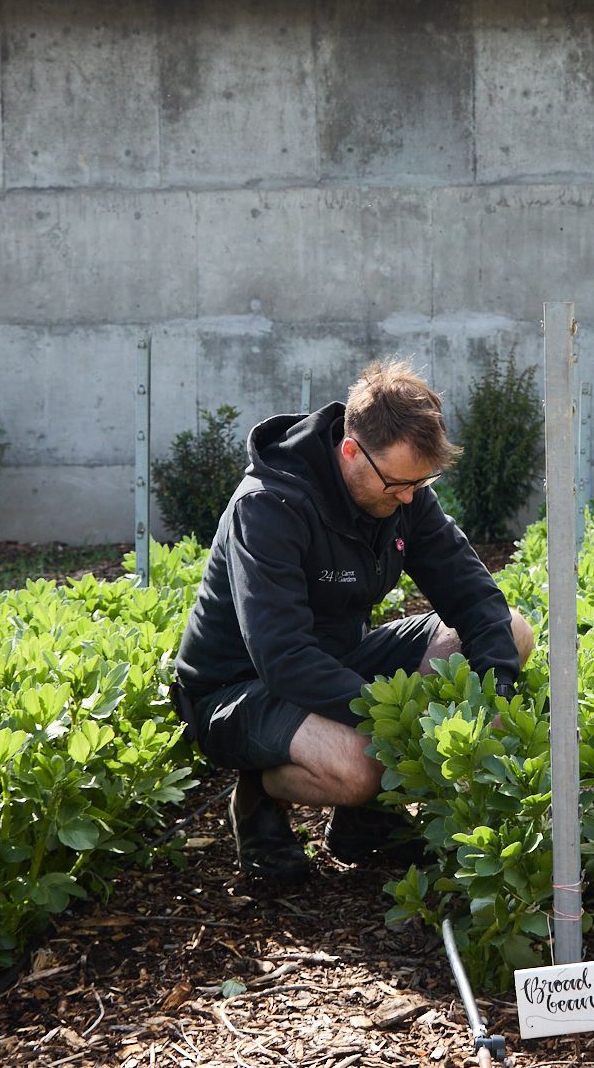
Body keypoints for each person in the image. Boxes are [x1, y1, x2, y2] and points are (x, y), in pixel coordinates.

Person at [171, 360, 534, 884]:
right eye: (398, 483)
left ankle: (359, 826)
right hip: (239, 690)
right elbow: (283, 657)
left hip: (337, 663)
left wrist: (496, 686)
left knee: (511, 633)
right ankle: (258, 790)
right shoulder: (269, 507)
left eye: (421, 482)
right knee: (360, 765)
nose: (410, 496)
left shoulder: (403, 492)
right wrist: (401, 723)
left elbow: (471, 591)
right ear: (349, 451)